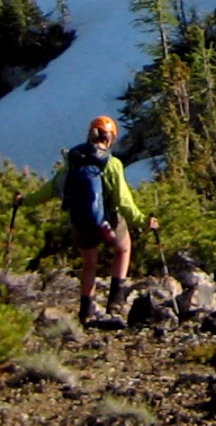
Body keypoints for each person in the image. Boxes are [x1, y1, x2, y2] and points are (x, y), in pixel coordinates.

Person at [53, 115, 153, 321]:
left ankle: (86, 311)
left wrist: (24, 201)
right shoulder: (112, 164)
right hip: (109, 221)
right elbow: (123, 201)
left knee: (89, 264)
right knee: (123, 249)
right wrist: (143, 220)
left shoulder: (73, 161)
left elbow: (52, 188)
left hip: (81, 221)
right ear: (111, 138)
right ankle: (116, 301)